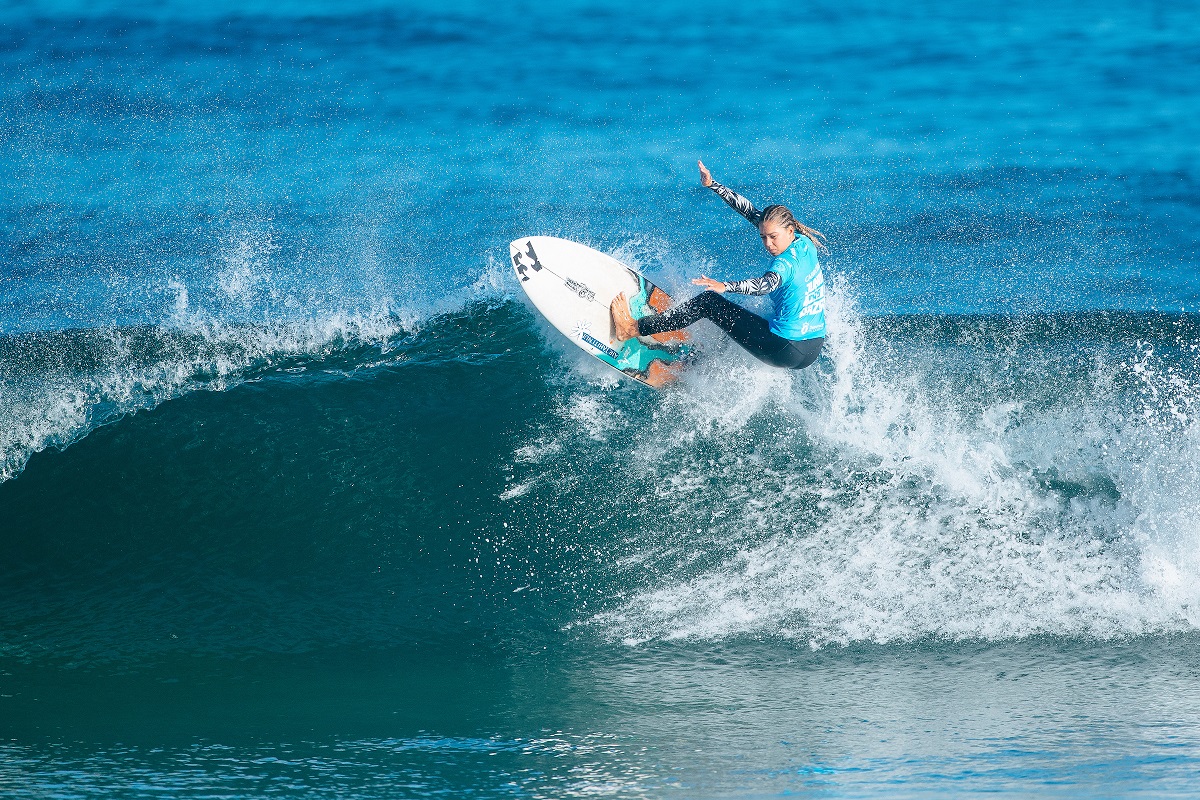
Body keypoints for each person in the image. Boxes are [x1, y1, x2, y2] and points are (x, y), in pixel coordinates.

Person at [611, 161, 828, 370]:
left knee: (709, 302)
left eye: (773, 237)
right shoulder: (803, 242)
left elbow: (765, 285)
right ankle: (696, 364)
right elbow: (749, 211)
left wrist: (725, 286)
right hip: (812, 347)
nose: (768, 244)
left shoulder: (785, 264)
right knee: (730, 319)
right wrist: (713, 185)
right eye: (763, 236)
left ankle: (630, 329)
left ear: (789, 231)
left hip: (783, 348)